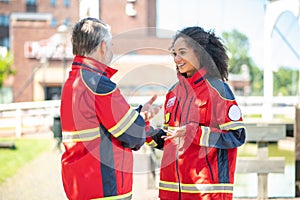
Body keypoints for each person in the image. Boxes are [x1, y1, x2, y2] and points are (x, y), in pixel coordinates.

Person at [60, 17, 160, 200]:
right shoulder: (98, 84)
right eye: (112, 46)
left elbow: (105, 124)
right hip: (104, 187)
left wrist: (140, 115)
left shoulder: (73, 82)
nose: (112, 51)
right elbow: (132, 134)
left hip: (81, 184)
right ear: (103, 46)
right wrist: (145, 126)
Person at [146, 26, 246, 200]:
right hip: (170, 193)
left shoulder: (218, 90)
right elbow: (169, 141)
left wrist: (194, 132)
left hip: (207, 193)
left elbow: (237, 136)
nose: (177, 59)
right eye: (174, 54)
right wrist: (144, 130)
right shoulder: (173, 93)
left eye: (182, 52)